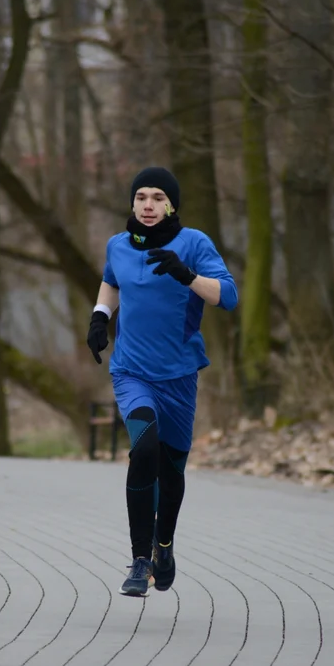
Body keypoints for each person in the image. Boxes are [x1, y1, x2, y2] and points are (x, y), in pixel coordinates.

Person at [87, 167, 238, 597]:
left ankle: (164, 547)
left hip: (179, 377)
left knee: (172, 472)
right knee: (144, 448)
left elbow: (228, 297)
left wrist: (186, 275)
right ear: (132, 204)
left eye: (157, 197)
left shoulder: (194, 243)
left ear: (171, 204)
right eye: (140, 197)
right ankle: (139, 560)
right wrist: (100, 317)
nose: (148, 205)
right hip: (131, 372)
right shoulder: (118, 245)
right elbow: (111, 282)